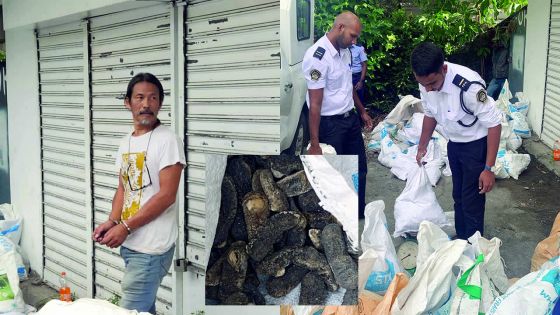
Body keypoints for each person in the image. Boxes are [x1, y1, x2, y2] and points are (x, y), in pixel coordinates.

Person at [92, 73, 186, 314]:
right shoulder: (126, 142)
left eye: (153, 98)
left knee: (130, 309)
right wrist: (113, 221)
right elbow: (124, 187)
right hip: (133, 243)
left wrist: (124, 227)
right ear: (128, 102)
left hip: (152, 248)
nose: (146, 104)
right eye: (140, 97)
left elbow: (166, 196)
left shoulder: (167, 141)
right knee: (144, 309)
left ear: (160, 104)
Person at [411, 42, 502, 240]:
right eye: (424, 85)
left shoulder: (469, 86)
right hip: (454, 145)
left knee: (472, 201)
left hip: (476, 147)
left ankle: (474, 247)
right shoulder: (425, 80)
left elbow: (494, 124)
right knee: (458, 197)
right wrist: (422, 146)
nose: (429, 90)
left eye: (433, 84)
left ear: (443, 69)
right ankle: (462, 239)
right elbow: (430, 114)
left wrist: (488, 168)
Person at [302, 11, 373, 218]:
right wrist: (315, 144)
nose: (355, 41)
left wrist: (361, 111)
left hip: (349, 120)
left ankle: (358, 211)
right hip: (329, 126)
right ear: (340, 27)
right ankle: (339, 219)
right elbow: (314, 104)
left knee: (359, 169)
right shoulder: (318, 57)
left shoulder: (345, 51)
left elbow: (347, 87)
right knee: (336, 175)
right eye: (353, 35)